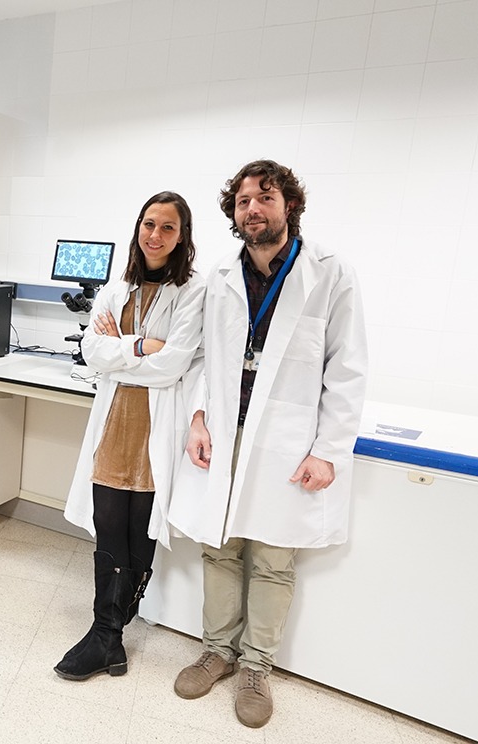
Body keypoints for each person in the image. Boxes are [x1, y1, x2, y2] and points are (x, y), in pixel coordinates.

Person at [168, 160, 367, 728]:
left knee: (274, 558)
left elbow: (348, 368)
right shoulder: (221, 275)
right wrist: (199, 417)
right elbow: (204, 356)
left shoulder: (329, 272)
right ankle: (216, 651)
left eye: (265, 197)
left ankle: (256, 667)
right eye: (243, 201)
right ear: (233, 213)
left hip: (288, 439)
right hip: (225, 430)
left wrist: (329, 450)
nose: (252, 209)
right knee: (219, 547)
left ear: (289, 205)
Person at [55, 192, 205, 680]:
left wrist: (120, 349)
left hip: (156, 427)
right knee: (108, 525)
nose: (155, 235)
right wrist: (142, 346)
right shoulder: (117, 288)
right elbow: (92, 352)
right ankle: (106, 633)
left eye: (167, 227)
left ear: (181, 237)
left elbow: (173, 365)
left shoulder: (193, 292)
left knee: (138, 531)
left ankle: (109, 636)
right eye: (148, 224)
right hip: (114, 421)